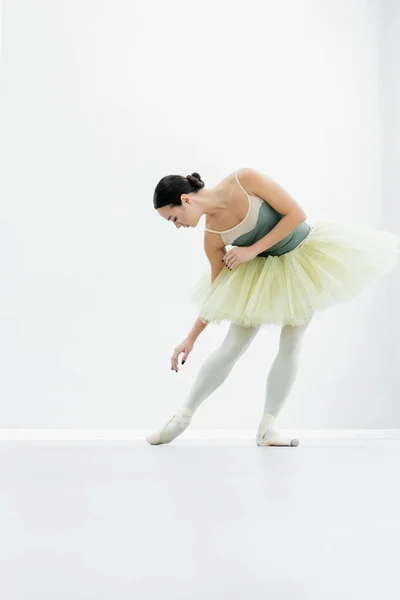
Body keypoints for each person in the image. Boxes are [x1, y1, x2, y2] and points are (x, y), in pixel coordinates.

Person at [147, 167, 399, 447]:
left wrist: (251, 250)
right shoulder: (212, 237)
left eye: (173, 218)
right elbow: (217, 293)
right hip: (260, 276)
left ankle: (268, 428)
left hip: (303, 260)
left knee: (292, 341)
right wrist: (191, 338)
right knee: (232, 346)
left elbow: (296, 215)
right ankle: (182, 418)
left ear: (186, 200)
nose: (177, 225)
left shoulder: (244, 180)